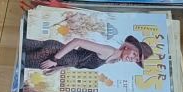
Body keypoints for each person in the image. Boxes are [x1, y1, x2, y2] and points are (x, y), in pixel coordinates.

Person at [22, 34, 153, 74]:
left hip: (55, 53)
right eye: (134, 54)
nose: (132, 59)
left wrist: (59, 67)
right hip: (50, 53)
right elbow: (77, 42)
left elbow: (79, 58)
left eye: (135, 60)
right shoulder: (109, 51)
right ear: (129, 47)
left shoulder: (113, 58)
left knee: (18, 45)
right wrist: (54, 59)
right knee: (16, 58)